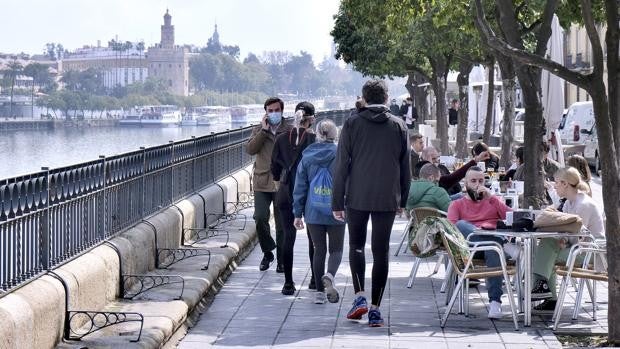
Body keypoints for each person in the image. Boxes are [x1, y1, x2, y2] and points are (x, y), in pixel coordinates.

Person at [332, 79, 410, 327]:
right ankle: (375, 308)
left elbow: (342, 166)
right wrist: (403, 200)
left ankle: (359, 297)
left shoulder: (352, 124)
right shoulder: (399, 125)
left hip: (357, 196)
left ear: (364, 99)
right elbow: (405, 169)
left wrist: (336, 201)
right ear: (387, 98)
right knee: (381, 251)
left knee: (356, 246)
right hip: (387, 197)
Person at [531, 167, 604, 312]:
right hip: (578, 248)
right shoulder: (569, 202)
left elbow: (579, 236)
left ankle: (545, 290)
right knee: (546, 248)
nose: (554, 185)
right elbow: (566, 233)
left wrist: (563, 240)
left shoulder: (583, 204)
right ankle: (544, 290)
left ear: (565, 184)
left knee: (545, 252)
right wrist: (562, 239)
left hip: (591, 253)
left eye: (557, 182)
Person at [447, 166, 515, 319]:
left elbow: (512, 217)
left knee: (493, 248)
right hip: (470, 248)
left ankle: (495, 303)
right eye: (473, 181)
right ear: (465, 183)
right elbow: (450, 230)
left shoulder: (493, 200)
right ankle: (506, 247)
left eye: (481, 180)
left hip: (493, 247)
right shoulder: (457, 204)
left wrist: (492, 198)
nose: (477, 184)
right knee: (461, 225)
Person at [293, 119, 345, 305]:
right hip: (337, 209)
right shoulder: (341, 154)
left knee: (319, 250)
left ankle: (319, 294)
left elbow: (300, 187)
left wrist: (297, 214)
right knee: (336, 249)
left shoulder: (307, 156)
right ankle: (330, 275)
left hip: (312, 210)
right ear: (334, 135)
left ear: (317, 134)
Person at [271, 102, 317, 295]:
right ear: (312, 119)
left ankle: (288, 283)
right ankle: (314, 279)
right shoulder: (314, 138)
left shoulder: (281, 138)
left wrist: (278, 182)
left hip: (286, 190)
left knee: (288, 236)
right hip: (309, 192)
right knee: (313, 238)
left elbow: (274, 166)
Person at [245, 97, 291, 272]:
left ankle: (281, 260)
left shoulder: (289, 129)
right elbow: (250, 150)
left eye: (276, 110)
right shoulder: (258, 130)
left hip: (282, 182)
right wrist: (263, 132)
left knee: (281, 225)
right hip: (262, 181)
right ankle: (268, 252)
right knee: (260, 217)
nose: (273, 113)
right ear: (265, 112)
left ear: (281, 111)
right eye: (270, 111)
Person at [414, 146, 491, 197]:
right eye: (433, 159)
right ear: (424, 159)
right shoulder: (422, 170)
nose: (436, 161)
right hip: (445, 201)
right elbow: (451, 178)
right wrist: (475, 160)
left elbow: (454, 180)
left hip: (452, 196)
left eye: (437, 158)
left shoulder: (441, 167)